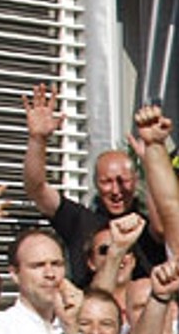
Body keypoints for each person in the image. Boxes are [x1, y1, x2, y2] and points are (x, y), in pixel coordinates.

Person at [21, 84, 166, 286]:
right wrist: (37, 140)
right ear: (96, 183)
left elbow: (161, 228)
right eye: (106, 182)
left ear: (135, 181)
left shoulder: (146, 224)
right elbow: (36, 189)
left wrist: (151, 162)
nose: (116, 191)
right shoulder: (80, 221)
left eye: (123, 181)